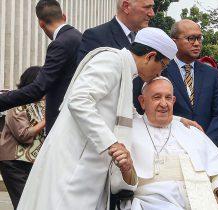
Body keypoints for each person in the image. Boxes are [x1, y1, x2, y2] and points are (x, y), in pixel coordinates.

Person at [17, 27, 178, 210]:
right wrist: (111, 143)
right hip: (73, 165)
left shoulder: (125, 70)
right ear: (150, 56)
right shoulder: (111, 61)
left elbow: (130, 115)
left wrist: (179, 121)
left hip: (89, 166)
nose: (160, 73)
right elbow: (79, 101)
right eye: (162, 65)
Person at [113, 76, 218, 210]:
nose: (164, 104)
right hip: (151, 202)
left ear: (174, 101)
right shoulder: (128, 132)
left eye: (168, 98)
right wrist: (127, 169)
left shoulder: (191, 131)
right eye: (157, 97)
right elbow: (116, 182)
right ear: (142, 101)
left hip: (203, 199)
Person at [137, 19, 218, 146]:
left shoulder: (211, 73)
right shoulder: (159, 69)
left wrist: (208, 143)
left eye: (199, 38)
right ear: (174, 42)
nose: (197, 43)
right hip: (167, 144)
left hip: (206, 146)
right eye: (191, 38)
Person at [0, 0, 82, 134]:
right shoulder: (81, 38)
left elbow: (38, 88)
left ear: (41, 23)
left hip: (61, 124)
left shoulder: (60, 44)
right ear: (64, 16)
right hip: (76, 120)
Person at [0, 66, 45, 209]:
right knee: (23, 204)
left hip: (33, 162)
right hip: (14, 162)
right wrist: (46, 121)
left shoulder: (41, 105)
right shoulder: (17, 104)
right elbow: (23, 134)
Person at [76, 0, 155, 64]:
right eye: (147, 7)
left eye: (152, 7)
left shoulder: (146, 40)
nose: (152, 14)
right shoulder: (96, 37)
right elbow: (88, 79)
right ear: (126, 7)